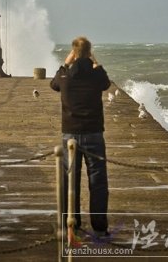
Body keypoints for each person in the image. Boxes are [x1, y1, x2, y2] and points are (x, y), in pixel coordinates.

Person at [50, 36, 111, 236]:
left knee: (70, 179)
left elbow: (54, 84)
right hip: (93, 133)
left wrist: (66, 63)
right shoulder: (96, 76)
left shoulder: (65, 76)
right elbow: (106, 83)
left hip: (70, 134)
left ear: (74, 52)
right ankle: (99, 224)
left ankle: (72, 221)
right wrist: (95, 62)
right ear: (89, 52)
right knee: (98, 180)